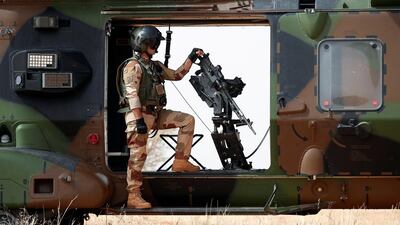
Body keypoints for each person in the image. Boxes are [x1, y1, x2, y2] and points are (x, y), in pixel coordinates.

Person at [119, 26, 204, 209]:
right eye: (154, 44)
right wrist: (139, 120)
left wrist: (191, 57)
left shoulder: (155, 66)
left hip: (156, 114)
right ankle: (133, 196)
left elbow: (177, 75)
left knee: (187, 120)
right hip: (139, 116)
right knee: (137, 157)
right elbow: (132, 94)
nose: (157, 48)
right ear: (144, 44)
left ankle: (180, 161)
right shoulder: (133, 66)